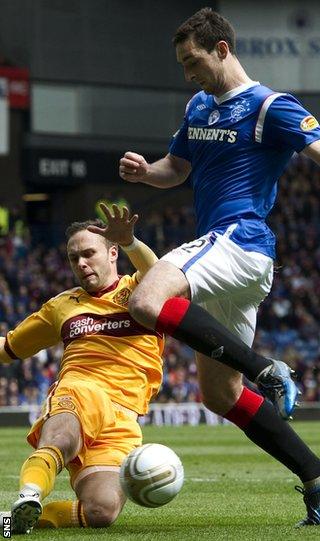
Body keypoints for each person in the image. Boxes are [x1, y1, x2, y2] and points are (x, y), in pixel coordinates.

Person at [119, 7, 320, 527]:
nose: (188, 73)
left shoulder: (270, 106)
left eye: (193, 62)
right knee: (219, 394)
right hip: (228, 259)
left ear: (222, 50)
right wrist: (147, 173)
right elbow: (177, 169)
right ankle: (317, 480)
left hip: (239, 240)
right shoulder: (199, 106)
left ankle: (267, 368)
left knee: (145, 300)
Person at [0, 204, 164, 534]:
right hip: (80, 388)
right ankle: (29, 495)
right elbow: (8, 348)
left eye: (88, 253)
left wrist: (133, 242)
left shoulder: (140, 290)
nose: (81, 263)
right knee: (60, 441)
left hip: (123, 417)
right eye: (74, 258)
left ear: (113, 252)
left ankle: (13, 520)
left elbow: (161, 274)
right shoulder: (62, 306)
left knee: (100, 511)